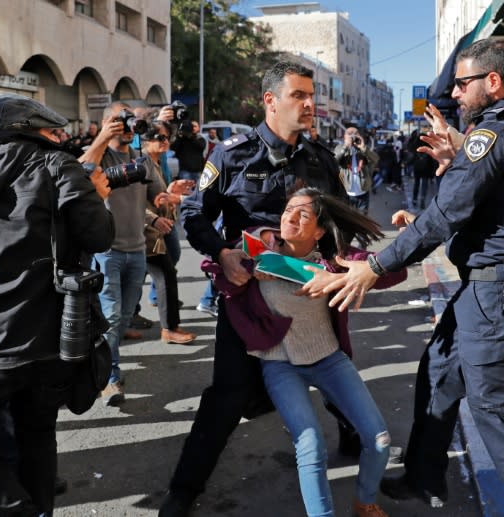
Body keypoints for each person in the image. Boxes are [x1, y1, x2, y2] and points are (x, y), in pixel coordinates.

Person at [311, 38, 504, 516]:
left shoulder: (491, 137)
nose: (456, 92)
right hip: (496, 285)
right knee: (439, 372)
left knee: (502, 418)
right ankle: (423, 477)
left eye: (463, 83)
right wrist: (457, 163)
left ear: (493, 82)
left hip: (494, 290)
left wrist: (377, 266)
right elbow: (494, 200)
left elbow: (446, 213)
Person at [159, 60, 348, 517]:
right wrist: (223, 254)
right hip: (248, 298)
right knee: (227, 394)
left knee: (332, 378)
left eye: (311, 95)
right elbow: (194, 214)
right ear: (270, 101)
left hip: (309, 299)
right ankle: (184, 489)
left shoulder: (320, 160)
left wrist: (345, 264)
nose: (309, 105)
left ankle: (359, 440)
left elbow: (342, 220)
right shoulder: (231, 154)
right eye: (299, 96)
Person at [209, 188, 405, 517]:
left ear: (319, 231)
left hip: (328, 358)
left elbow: (391, 272)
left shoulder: (334, 259)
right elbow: (220, 275)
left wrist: (398, 247)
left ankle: (364, 501)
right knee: (310, 445)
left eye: (303, 215)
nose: (290, 218)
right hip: (280, 365)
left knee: (380, 439)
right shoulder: (259, 248)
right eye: (288, 210)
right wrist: (240, 270)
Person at [0, 94, 114, 516]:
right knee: (38, 431)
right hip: (49, 334)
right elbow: (99, 236)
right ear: (31, 129)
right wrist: (94, 195)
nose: (58, 137)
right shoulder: (58, 165)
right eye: (51, 131)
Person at [80, 101, 168, 406]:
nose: (131, 126)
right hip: (108, 250)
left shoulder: (141, 158)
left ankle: (95, 361)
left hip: (137, 250)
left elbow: (157, 195)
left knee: (125, 315)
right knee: (114, 315)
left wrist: (167, 200)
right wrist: (102, 137)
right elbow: (78, 173)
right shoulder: (101, 155)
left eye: (135, 121)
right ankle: (109, 377)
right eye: (124, 120)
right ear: (107, 121)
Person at [141, 120, 197, 344]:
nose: (166, 142)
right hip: (145, 233)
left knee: (162, 275)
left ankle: (165, 326)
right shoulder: (142, 163)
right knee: (165, 276)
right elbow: (136, 201)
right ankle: (169, 328)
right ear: (147, 139)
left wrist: (172, 191)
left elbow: (160, 198)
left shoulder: (155, 162)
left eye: (168, 138)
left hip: (156, 231)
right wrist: (153, 219)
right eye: (160, 138)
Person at [334, 127, 379, 214]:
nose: (352, 136)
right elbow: (334, 161)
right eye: (349, 134)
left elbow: (376, 159)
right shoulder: (340, 148)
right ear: (344, 136)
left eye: (355, 133)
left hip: (363, 193)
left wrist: (363, 147)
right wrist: (345, 147)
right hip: (346, 193)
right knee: (349, 220)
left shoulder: (363, 149)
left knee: (362, 220)